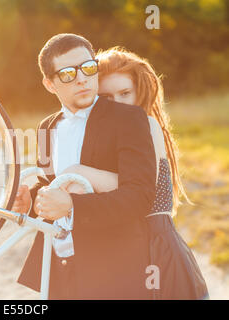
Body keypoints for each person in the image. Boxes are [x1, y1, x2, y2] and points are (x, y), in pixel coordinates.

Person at [13, 33, 158, 299]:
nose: (81, 79)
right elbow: (52, 187)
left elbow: (141, 196)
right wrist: (30, 200)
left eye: (88, 68)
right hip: (58, 269)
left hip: (115, 272)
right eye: (67, 74)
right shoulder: (46, 128)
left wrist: (72, 205)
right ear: (49, 84)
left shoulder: (128, 118)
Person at [58, 47, 208, 299]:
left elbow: (137, 189)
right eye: (107, 97)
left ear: (139, 93)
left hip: (156, 250)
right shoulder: (104, 136)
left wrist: (77, 172)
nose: (117, 104)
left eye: (125, 94)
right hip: (126, 253)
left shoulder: (146, 125)